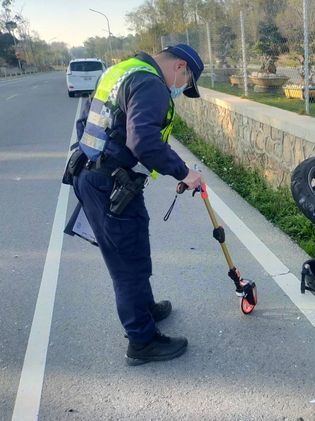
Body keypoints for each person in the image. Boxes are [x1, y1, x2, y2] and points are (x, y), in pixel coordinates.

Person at [72, 44, 205, 365]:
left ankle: (145, 308)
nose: (180, 90)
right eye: (185, 84)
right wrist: (185, 172)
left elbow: (88, 121)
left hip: (100, 176)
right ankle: (142, 342)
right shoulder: (151, 84)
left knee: (134, 249)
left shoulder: (123, 70)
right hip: (111, 183)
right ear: (180, 67)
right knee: (127, 266)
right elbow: (143, 141)